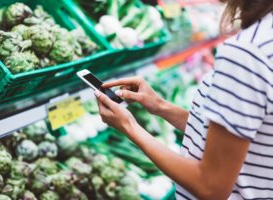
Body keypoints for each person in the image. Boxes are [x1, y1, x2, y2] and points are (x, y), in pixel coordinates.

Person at [94, 0, 273, 199]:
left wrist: (128, 126)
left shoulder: (246, 53)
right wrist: (160, 106)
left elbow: (210, 186)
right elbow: (233, 140)